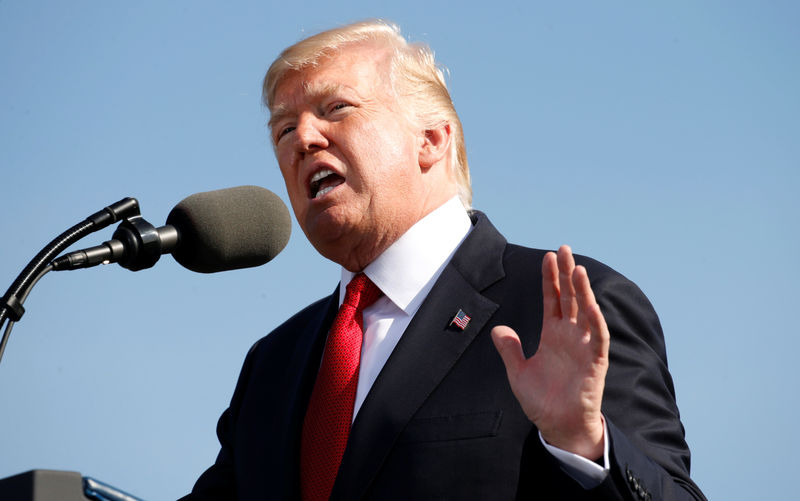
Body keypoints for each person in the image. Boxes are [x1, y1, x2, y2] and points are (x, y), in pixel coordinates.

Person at [183, 20, 706, 500]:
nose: (303, 138)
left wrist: (586, 444)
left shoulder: (564, 307)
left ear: (431, 140)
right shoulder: (272, 364)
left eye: (335, 108)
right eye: (283, 130)